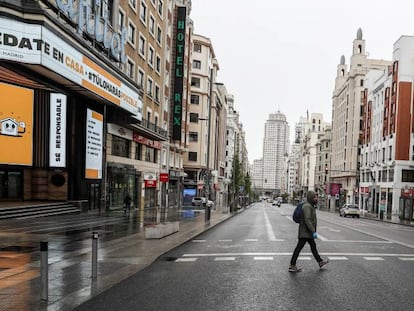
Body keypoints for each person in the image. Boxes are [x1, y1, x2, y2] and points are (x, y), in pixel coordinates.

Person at [289, 191, 329, 272]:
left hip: (307, 232)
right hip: (305, 232)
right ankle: (292, 265)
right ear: (311, 197)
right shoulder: (307, 206)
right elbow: (307, 219)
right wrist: (313, 230)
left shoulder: (310, 206)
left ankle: (320, 262)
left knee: (313, 247)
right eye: (315, 197)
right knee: (299, 248)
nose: (316, 199)